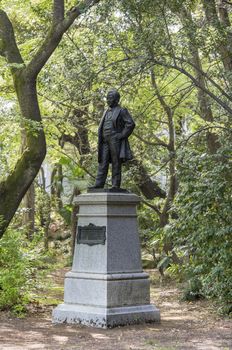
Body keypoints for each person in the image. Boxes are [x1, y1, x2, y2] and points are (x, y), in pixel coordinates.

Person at [92, 89, 135, 190]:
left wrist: (121, 135)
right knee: (103, 162)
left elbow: (130, 124)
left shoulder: (122, 110)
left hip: (115, 139)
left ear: (116, 99)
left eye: (110, 98)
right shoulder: (106, 111)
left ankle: (115, 185)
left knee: (116, 162)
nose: (107, 100)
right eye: (107, 98)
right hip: (104, 141)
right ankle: (99, 184)